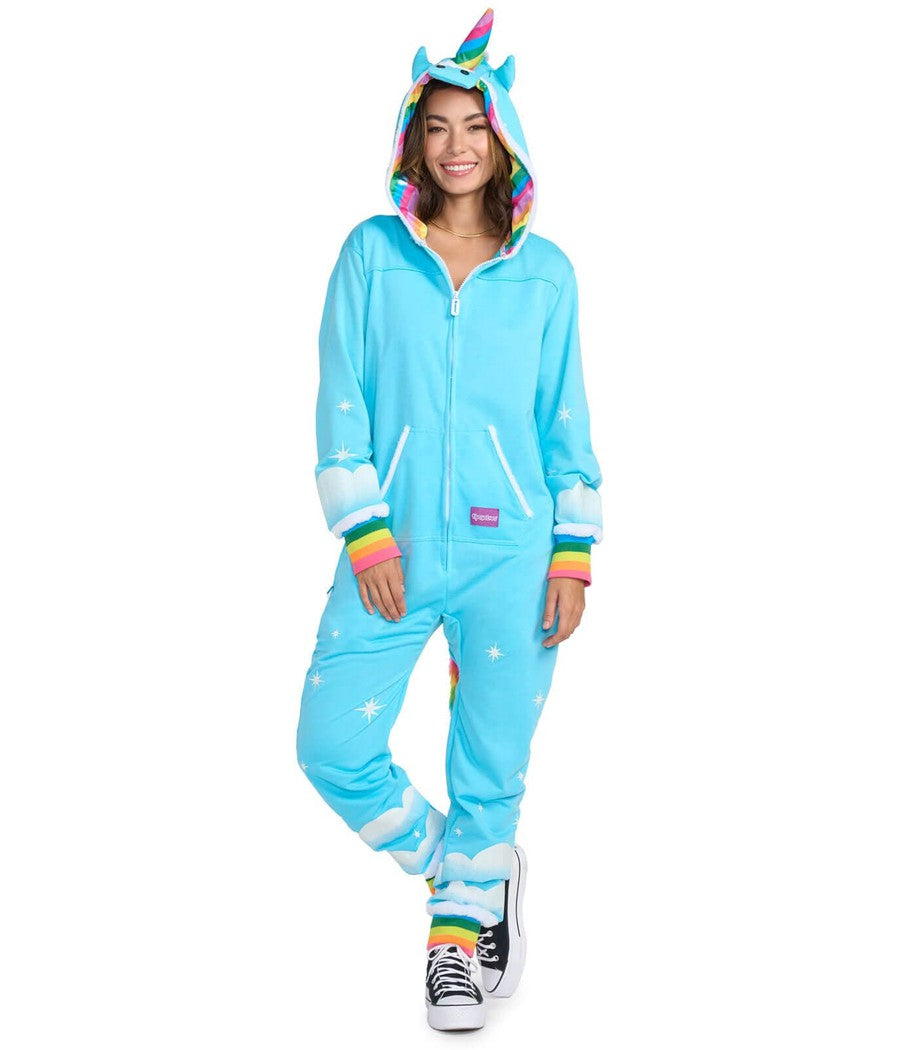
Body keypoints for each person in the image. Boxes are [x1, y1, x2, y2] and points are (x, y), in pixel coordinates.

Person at [295, 7, 603, 1032]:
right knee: (330, 743)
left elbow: (564, 420)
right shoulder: (373, 254)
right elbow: (342, 400)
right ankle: (465, 876)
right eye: (437, 127)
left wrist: (572, 553)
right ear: (412, 141)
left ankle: (452, 949)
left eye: (475, 125)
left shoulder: (546, 273)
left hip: (514, 554)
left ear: (504, 137)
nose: (457, 145)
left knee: (491, 760)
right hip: (393, 550)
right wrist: (365, 529)